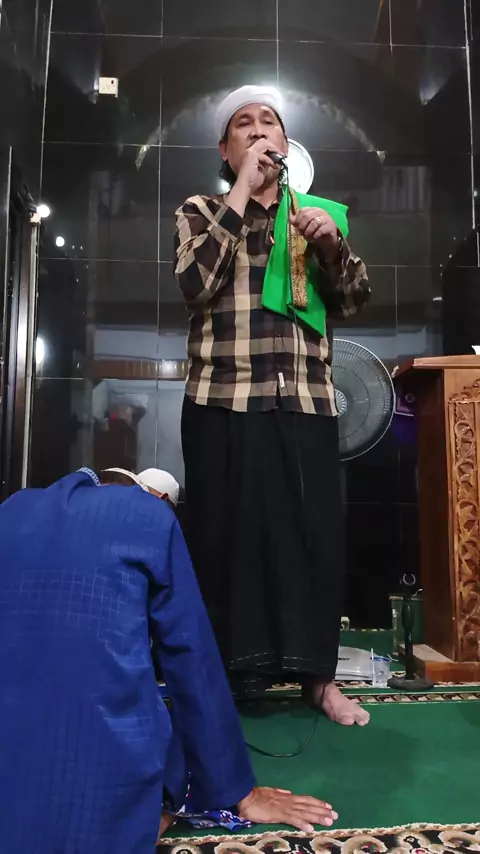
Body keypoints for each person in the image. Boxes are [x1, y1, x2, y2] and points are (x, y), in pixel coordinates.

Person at [0, 466, 337, 854]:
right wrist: (237, 789)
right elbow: (191, 657)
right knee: (168, 736)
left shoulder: (13, 509)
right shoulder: (149, 516)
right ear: (158, 498)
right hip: (98, 805)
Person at [175, 85, 371, 726]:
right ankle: (232, 680)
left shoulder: (314, 215)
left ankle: (319, 680)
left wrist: (332, 246)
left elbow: (353, 300)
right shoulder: (202, 208)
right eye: (244, 125)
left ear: (287, 144)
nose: (259, 131)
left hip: (306, 401)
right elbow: (195, 284)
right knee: (224, 540)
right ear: (226, 149)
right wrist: (241, 193)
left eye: (269, 123)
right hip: (221, 399)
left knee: (312, 541)